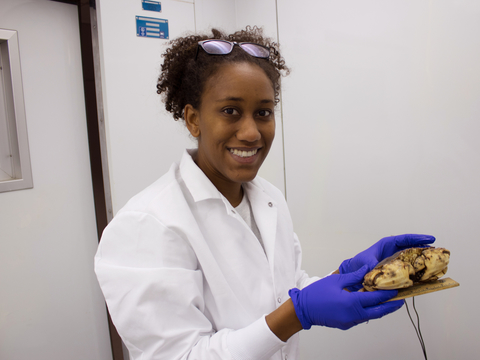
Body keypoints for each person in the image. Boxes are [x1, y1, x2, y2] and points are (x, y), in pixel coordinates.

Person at [94, 26, 435, 360]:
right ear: (193, 119)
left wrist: (348, 276)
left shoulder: (268, 198)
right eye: (230, 111)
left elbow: (282, 288)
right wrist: (297, 315)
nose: (251, 132)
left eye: (263, 112)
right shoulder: (147, 225)